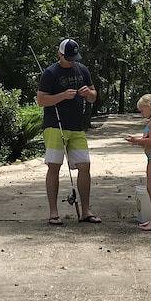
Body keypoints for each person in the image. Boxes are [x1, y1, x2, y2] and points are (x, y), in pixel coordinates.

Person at [36, 38, 101, 226]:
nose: (72, 61)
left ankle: (85, 211)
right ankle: (54, 213)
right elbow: (41, 100)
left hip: (76, 127)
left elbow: (94, 96)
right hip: (54, 126)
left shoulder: (82, 70)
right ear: (60, 54)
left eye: (74, 58)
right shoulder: (50, 73)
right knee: (54, 167)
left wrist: (88, 93)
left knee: (85, 165)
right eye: (68, 58)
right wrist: (63, 96)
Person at [125, 94, 151, 231]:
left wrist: (136, 140)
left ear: (150, 106)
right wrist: (136, 139)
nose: (141, 113)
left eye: (142, 110)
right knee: (150, 188)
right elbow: (147, 140)